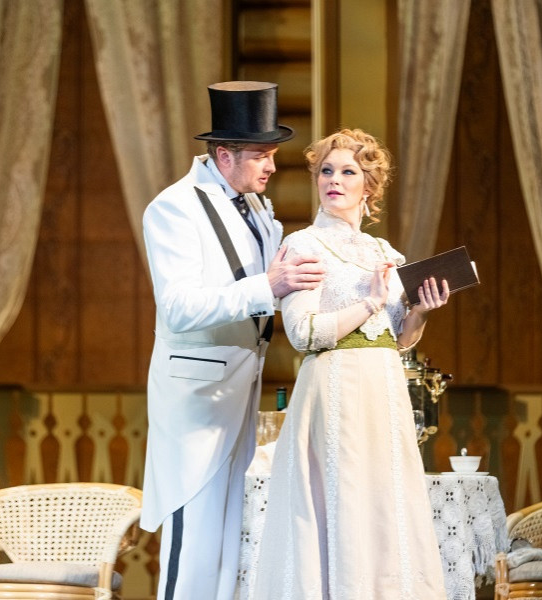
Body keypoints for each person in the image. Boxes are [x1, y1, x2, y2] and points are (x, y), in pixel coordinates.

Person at [140, 81, 325, 600]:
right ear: (225, 155)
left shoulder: (258, 208)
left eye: (273, 155)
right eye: (261, 156)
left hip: (241, 392)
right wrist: (269, 286)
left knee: (228, 554)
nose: (272, 167)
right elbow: (179, 307)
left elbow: (274, 287)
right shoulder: (174, 207)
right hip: (196, 399)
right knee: (193, 551)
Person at [253, 128, 450, 599]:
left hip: (384, 390)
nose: (334, 180)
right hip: (335, 388)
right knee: (340, 501)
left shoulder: (386, 253)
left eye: (348, 172)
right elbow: (303, 333)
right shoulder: (304, 246)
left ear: (369, 186)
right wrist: (369, 303)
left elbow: (398, 340)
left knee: (383, 506)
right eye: (326, 171)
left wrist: (421, 312)